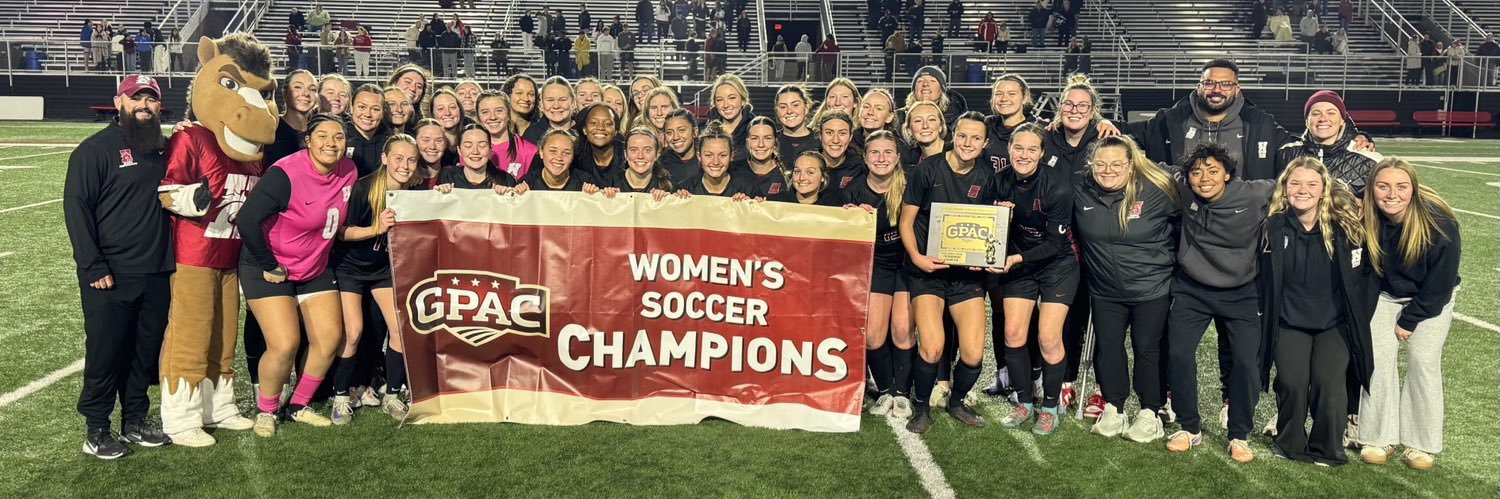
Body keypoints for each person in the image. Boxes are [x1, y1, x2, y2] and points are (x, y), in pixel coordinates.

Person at [65, 75, 175, 459]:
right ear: (119, 102)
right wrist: (93, 266)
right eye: (136, 98)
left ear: (159, 106)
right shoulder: (94, 151)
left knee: (144, 351)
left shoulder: (165, 148)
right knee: (106, 351)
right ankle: (96, 428)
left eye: (151, 99)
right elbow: (77, 211)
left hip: (158, 270)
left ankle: (135, 420)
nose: (144, 105)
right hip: (109, 274)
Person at [235, 113, 359, 437]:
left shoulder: (349, 170)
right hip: (269, 265)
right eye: (322, 136)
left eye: (338, 137)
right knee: (285, 343)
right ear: (308, 140)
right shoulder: (285, 174)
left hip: (313, 266)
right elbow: (247, 219)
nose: (331, 144)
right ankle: (267, 410)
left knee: (331, 337)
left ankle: (297, 405)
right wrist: (269, 264)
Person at [1257, 156, 1377, 466]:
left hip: (1333, 324)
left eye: (1311, 184)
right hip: (1289, 322)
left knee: (1329, 382)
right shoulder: (1272, 225)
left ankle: (1327, 448)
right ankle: (1290, 443)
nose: (1302, 190)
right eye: (1295, 183)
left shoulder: (1346, 227)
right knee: (1294, 383)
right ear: (1285, 188)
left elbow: (1365, 276)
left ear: (1323, 189)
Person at [1163, 142, 1275, 461]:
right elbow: (1153, 168)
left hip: (1242, 292)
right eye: (1196, 172)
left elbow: (1297, 182)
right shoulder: (1184, 189)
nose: (1204, 178)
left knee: (1245, 362)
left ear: (1227, 173)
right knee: (1179, 353)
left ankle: (1239, 434)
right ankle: (1189, 427)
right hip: (1192, 290)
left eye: (1213, 170)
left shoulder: (1253, 193)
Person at [1073, 135, 1180, 442]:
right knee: (1108, 348)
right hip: (1105, 290)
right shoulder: (1082, 190)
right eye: (1100, 164)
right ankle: (1114, 406)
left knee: (1147, 348)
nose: (1107, 170)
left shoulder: (1158, 189)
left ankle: (1150, 411)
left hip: (1152, 288)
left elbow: (1188, 219)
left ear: (1131, 165)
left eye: (1117, 164)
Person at [1357, 158, 1461, 471]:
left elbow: (1439, 286)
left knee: (1424, 363)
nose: (1392, 194)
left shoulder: (1440, 224)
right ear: (1371, 189)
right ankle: (1379, 436)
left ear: (1413, 190)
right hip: (1387, 296)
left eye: (1401, 187)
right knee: (1377, 359)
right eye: (1383, 186)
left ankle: (1422, 445)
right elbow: (1366, 272)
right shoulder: (1367, 220)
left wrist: (1409, 320)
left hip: (1431, 299)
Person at [899, 111, 998, 433]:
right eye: (963, 136)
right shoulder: (928, 170)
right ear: (953, 135)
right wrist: (917, 257)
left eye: (976, 138)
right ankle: (921, 407)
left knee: (972, 355)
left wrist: (983, 256)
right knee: (932, 347)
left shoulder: (986, 176)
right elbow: (906, 222)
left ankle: (956, 401)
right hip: (927, 272)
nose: (968, 143)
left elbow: (987, 227)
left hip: (966, 276)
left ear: (984, 144)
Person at [329, 134, 427, 424]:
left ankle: (393, 395)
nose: (405, 165)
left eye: (411, 160)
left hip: (383, 271)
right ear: (385, 158)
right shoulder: (364, 188)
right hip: (350, 269)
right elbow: (341, 232)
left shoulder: (415, 191)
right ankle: (341, 396)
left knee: (400, 330)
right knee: (354, 332)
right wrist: (376, 228)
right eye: (399, 158)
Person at [988, 122, 1078, 436]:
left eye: (1031, 149)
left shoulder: (1058, 186)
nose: (1024, 155)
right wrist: (1002, 222)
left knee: (1048, 338)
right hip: (1020, 265)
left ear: (1041, 153)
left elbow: (1054, 244)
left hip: (1057, 266)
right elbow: (989, 229)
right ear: (1009, 149)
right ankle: (1025, 402)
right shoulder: (998, 181)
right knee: (1012, 333)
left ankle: (1050, 406)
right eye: (1018, 148)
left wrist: (1015, 258)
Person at [1127, 59, 1293, 182]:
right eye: (1209, 83)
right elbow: (1123, 131)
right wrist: (1105, 123)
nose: (1217, 90)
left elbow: (1300, 150)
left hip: (1243, 221)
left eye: (1226, 84)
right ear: (1199, 87)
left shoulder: (1261, 124)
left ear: (1237, 90)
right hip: (1182, 218)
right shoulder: (1169, 121)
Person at [846, 130, 914, 419]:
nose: (881, 158)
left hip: (909, 265)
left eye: (888, 152)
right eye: (875, 152)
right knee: (873, 337)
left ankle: (902, 394)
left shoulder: (910, 185)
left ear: (898, 157)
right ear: (865, 157)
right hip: (876, 267)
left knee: (901, 331)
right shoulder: (853, 189)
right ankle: (886, 390)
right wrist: (848, 216)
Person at [1276, 90, 1380, 196]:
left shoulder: (1369, 159)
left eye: (1331, 113)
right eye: (1316, 114)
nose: (1323, 119)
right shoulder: (1286, 153)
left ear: (1342, 121)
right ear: (1307, 121)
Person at [476, 92, 537, 180]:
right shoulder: (469, 151)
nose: (493, 117)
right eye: (485, 112)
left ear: (508, 115)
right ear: (478, 118)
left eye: (499, 111)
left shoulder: (530, 151)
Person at [732, 116, 792, 201]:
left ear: (775, 143)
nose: (761, 144)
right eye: (755, 138)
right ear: (747, 143)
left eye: (767, 138)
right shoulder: (733, 172)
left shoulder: (788, 176)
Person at [677, 122, 743, 197]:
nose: (716, 162)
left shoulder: (745, 190)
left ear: (731, 156)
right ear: (699, 156)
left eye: (722, 155)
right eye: (709, 155)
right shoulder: (686, 188)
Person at [606, 127, 675, 193]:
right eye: (634, 150)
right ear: (626, 154)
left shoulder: (668, 185)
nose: (640, 156)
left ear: (656, 155)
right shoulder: (611, 183)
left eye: (647, 150)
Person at [817, 110, 864, 191]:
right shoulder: (807, 163)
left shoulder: (859, 167)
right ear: (820, 135)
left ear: (850, 137)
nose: (835, 140)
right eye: (829, 133)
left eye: (842, 133)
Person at [773, 84, 819, 163]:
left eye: (795, 105)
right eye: (783, 107)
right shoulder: (771, 142)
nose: (789, 111)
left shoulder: (820, 142)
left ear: (806, 107)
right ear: (777, 111)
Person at [658, 109, 702, 183]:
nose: (676, 137)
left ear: (695, 132)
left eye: (681, 130)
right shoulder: (660, 164)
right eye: (669, 133)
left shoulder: (707, 161)